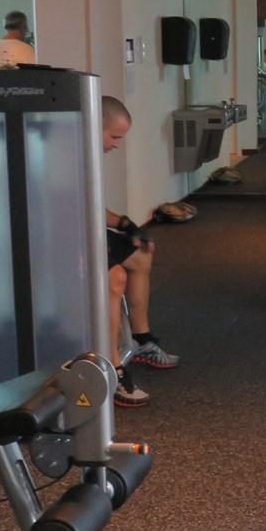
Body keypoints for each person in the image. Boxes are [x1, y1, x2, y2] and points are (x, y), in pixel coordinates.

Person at [101, 96, 179, 408]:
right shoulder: (68, 154)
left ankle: (142, 339)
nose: (116, 144)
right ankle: (112, 368)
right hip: (64, 239)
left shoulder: (91, 154)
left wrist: (126, 225)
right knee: (115, 277)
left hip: (87, 231)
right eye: (114, 136)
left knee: (142, 253)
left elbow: (92, 206)